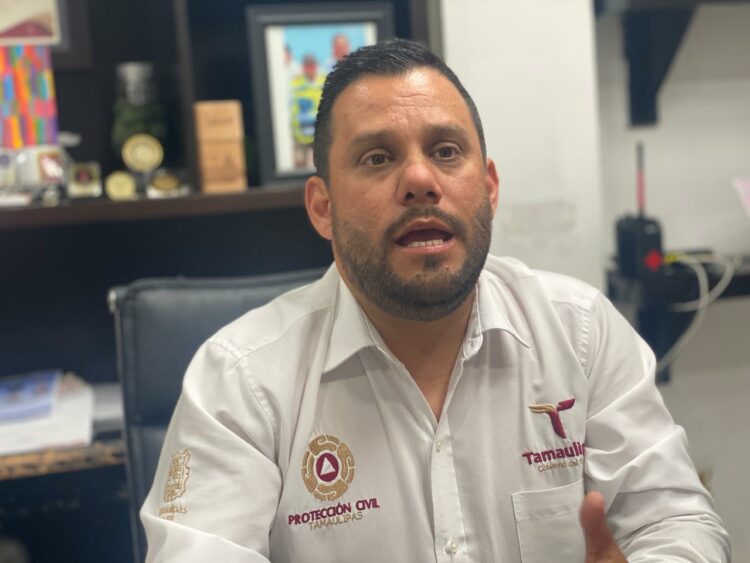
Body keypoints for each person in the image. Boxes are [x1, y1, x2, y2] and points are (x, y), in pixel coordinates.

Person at [142, 39, 730, 562]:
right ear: (323, 207)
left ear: (489, 188)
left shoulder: (581, 333)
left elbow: (676, 521)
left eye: (446, 151)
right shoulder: (241, 382)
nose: (421, 180)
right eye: (378, 158)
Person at [290, 54, 325, 169]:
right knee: (299, 165)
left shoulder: (324, 80)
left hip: (319, 132)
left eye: (312, 66)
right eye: (307, 66)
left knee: (321, 165)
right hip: (300, 132)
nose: (310, 69)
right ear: (303, 67)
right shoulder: (295, 82)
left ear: (316, 66)